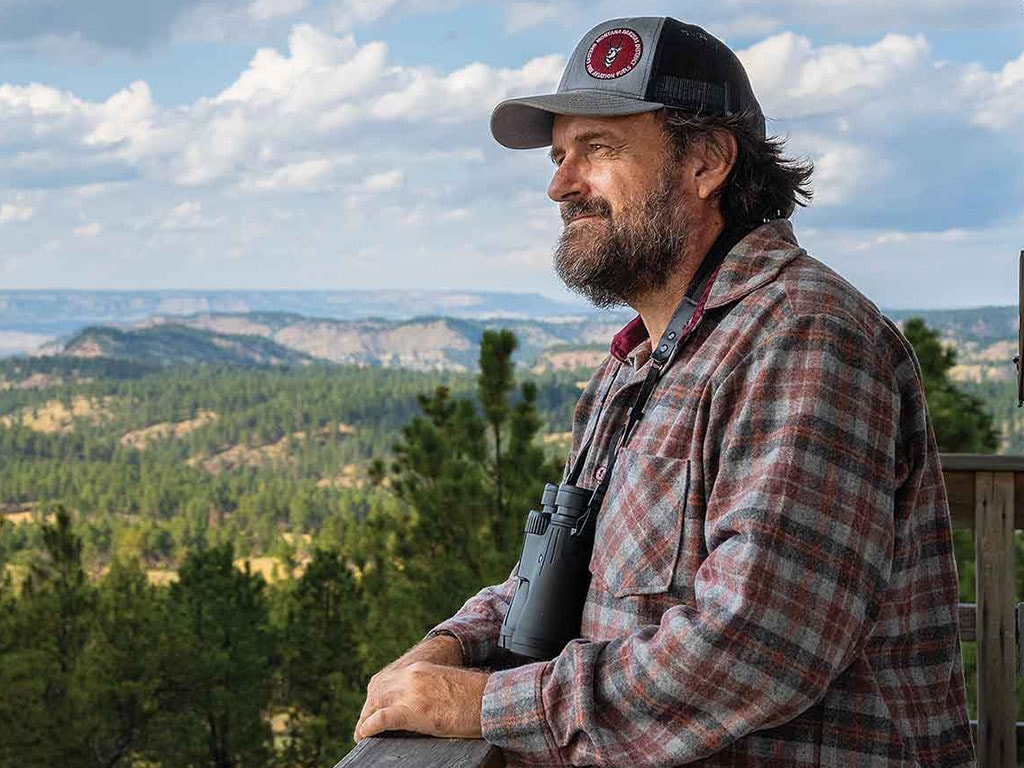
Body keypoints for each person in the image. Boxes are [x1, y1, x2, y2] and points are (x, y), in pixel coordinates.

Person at [354, 16, 976, 767]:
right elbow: (557, 570)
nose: (559, 184)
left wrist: (481, 704)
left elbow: (757, 648)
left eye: (599, 148)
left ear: (707, 162)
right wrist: (450, 645)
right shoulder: (637, 365)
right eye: (558, 156)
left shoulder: (805, 337)